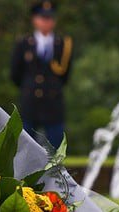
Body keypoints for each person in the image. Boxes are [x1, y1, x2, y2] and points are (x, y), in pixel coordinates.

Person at [11, 1, 72, 148]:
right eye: (43, 18)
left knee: (55, 151)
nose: (46, 22)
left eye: (49, 18)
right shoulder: (24, 43)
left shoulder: (63, 44)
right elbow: (15, 74)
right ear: (35, 20)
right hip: (30, 104)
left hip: (53, 104)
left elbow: (65, 76)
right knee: (25, 149)